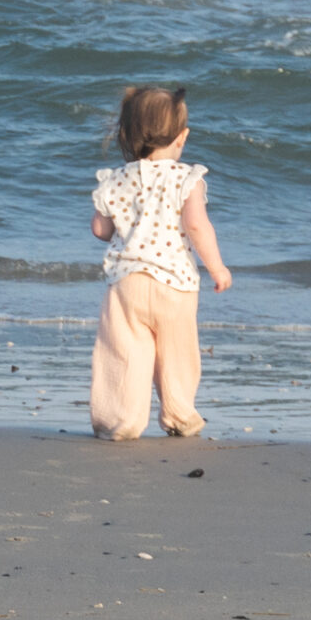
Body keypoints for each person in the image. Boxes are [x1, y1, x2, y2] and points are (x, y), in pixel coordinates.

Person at [88, 85, 231, 440]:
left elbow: (99, 229)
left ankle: (120, 421)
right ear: (181, 137)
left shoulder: (115, 179)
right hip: (175, 284)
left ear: (127, 134)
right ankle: (180, 416)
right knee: (178, 354)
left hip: (127, 284)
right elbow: (197, 225)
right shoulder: (186, 178)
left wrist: (117, 224)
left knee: (123, 352)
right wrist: (216, 267)